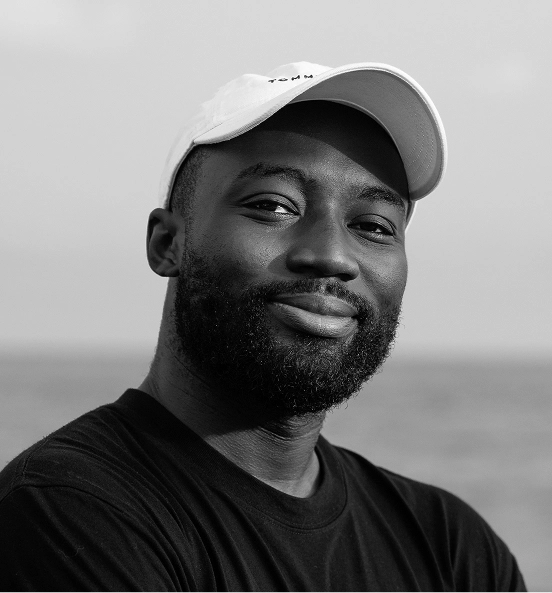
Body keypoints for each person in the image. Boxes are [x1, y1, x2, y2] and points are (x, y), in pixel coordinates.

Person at [0, 62, 526, 591]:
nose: (332, 255)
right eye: (274, 206)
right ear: (168, 243)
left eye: (373, 225)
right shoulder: (69, 514)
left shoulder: (451, 548)